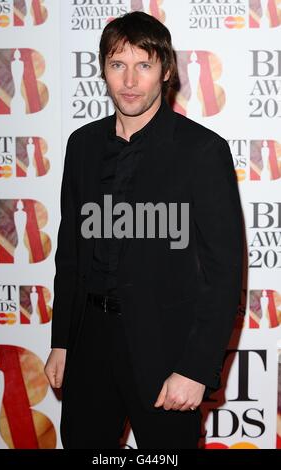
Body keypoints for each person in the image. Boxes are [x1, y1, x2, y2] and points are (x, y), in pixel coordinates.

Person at [44, 11, 244, 449]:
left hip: (164, 347)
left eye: (144, 65)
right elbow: (71, 255)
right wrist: (62, 341)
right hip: (89, 343)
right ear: (102, 71)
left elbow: (224, 272)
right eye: (118, 65)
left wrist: (195, 369)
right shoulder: (82, 146)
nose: (129, 80)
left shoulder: (202, 151)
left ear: (166, 71)